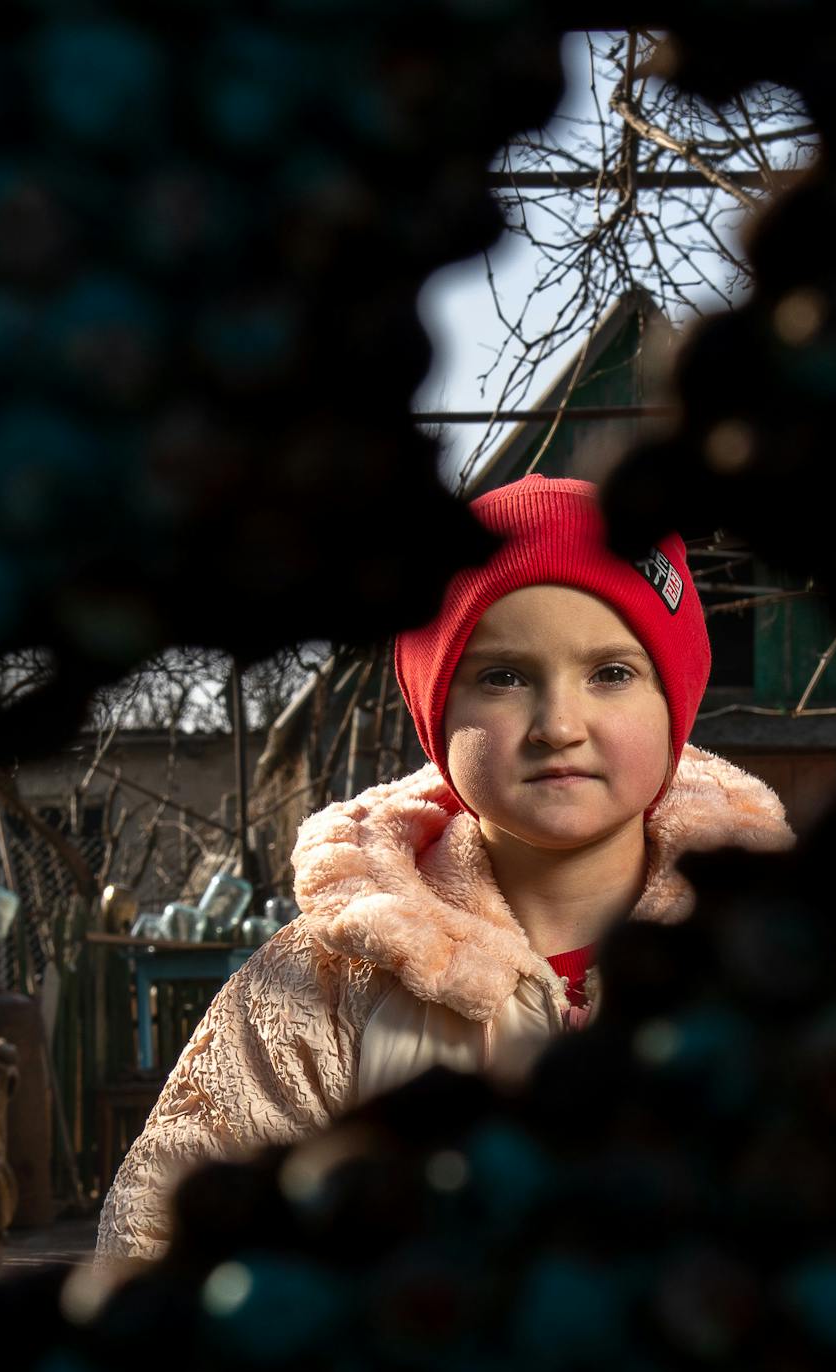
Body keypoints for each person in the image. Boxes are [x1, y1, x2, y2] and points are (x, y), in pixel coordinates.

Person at [92, 477, 796, 1265]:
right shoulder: (323, 980)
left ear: (676, 698)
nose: (560, 725)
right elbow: (161, 1235)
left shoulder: (772, 961)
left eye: (612, 673)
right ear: (437, 712)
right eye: (503, 676)